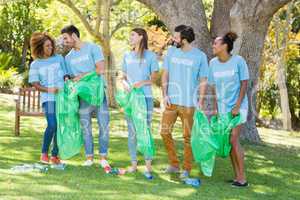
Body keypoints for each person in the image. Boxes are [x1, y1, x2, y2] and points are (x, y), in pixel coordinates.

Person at [160, 25, 208, 179]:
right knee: (164, 132)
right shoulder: (171, 52)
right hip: (171, 102)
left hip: (189, 103)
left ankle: (186, 168)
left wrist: (200, 100)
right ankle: (174, 164)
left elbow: (203, 80)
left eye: (176, 37)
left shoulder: (200, 56)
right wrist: (165, 94)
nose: (173, 39)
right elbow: (165, 74)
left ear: (184, 40)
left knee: (188, 138)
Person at [61, 25, 111, 170]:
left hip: (98, 93)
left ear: (74, 36)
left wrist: (81, 76)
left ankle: (103, 158)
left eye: (66, 38)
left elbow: (100, 69)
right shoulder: (68, 57)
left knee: (104, 125)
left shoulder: (93, 48)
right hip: (82, 96)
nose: (64, 41)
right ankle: (89, 158)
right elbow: (71, 78)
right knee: (85, 127)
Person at [208, 32, 249, 187]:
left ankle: (242, 178)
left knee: (233, 139)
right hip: (223, 109)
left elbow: (244, 83)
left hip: (238, 108)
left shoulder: (238, 61)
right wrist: (216, 109)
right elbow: (213, 88)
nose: (213, 46)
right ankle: (237, 177)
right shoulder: (213, 63)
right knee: (229, 142)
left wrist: (238, 105)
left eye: (216, 44)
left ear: (224, 46)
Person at [122, 28, 159, 179]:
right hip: (130, 99)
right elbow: (122, 76)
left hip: (145, 98)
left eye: (132, 35)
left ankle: (148, 166)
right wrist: (125, 85)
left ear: (141, 37)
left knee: (145, 130)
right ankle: (134, 164)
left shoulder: (150, 56)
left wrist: (141, 83)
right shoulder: (126, 55)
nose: (130, 37)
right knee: (132, 132)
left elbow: (154, 78)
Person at [29, 32, 68, 165]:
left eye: (51, 46)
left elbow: (66, 75)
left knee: (59, 125)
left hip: (62, 97)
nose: (50, 49)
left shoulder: (59, 59)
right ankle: (44, 153)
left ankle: (55, 155)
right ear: (40, 47)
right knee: (52, 124)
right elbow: (35, 84)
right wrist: (49, 89)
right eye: (47, 46)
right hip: (48, 98)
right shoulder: (35, 64)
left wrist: (67, 80)